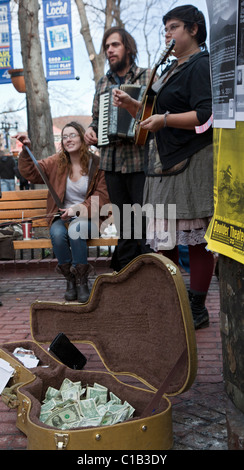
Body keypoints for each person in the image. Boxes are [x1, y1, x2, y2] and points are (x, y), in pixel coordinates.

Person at [112, 5, 214, 330]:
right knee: (163, 238)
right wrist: (131, 105)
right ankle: (177, 302)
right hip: (161, 161)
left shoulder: (201, 64)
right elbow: (149, 116)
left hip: (190, 160)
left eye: (173, 27)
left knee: (194, 239)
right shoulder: (169, 69)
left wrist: (166, 119)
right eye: (165, 29)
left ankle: (197, 308)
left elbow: (204, 115)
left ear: (194, 29)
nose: (167, 34)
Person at [84, 27, 153, 271]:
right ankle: (126, 277)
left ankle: (149, 277)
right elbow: (96, 118)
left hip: (140, 162)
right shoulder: (103, 83)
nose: (110, 50)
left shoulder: (147, 76)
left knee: (144, 222)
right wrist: (91, 131)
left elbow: (154, 116)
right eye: (107, 47)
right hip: (111, 163)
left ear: (128, 48)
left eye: (115, 45)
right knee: (124, 224)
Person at [17, 122, 110, 303]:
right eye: (65, 137)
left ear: (83, 137)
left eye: (73, 135)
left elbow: (102, 197)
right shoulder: (56, 162)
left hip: (88, 216)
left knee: (76, 230)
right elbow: (31, 172)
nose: (68, 139)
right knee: (57, 233)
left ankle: (82, 281)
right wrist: (26, 150)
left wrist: (76, 209)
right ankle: (70, 280)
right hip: (61, 216)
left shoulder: (97, 164)